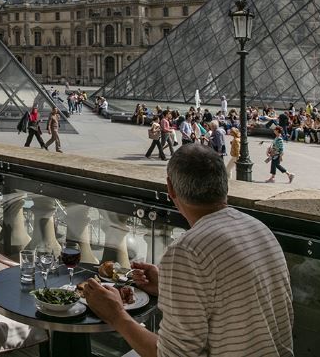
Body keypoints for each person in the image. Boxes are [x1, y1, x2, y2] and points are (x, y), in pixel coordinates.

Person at [82, 144, 293, 357]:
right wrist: (166, 286)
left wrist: (116, 315)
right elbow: (231, 307)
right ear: (224, 184)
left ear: (170, 189)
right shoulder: (258, 228)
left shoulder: (188, 251)